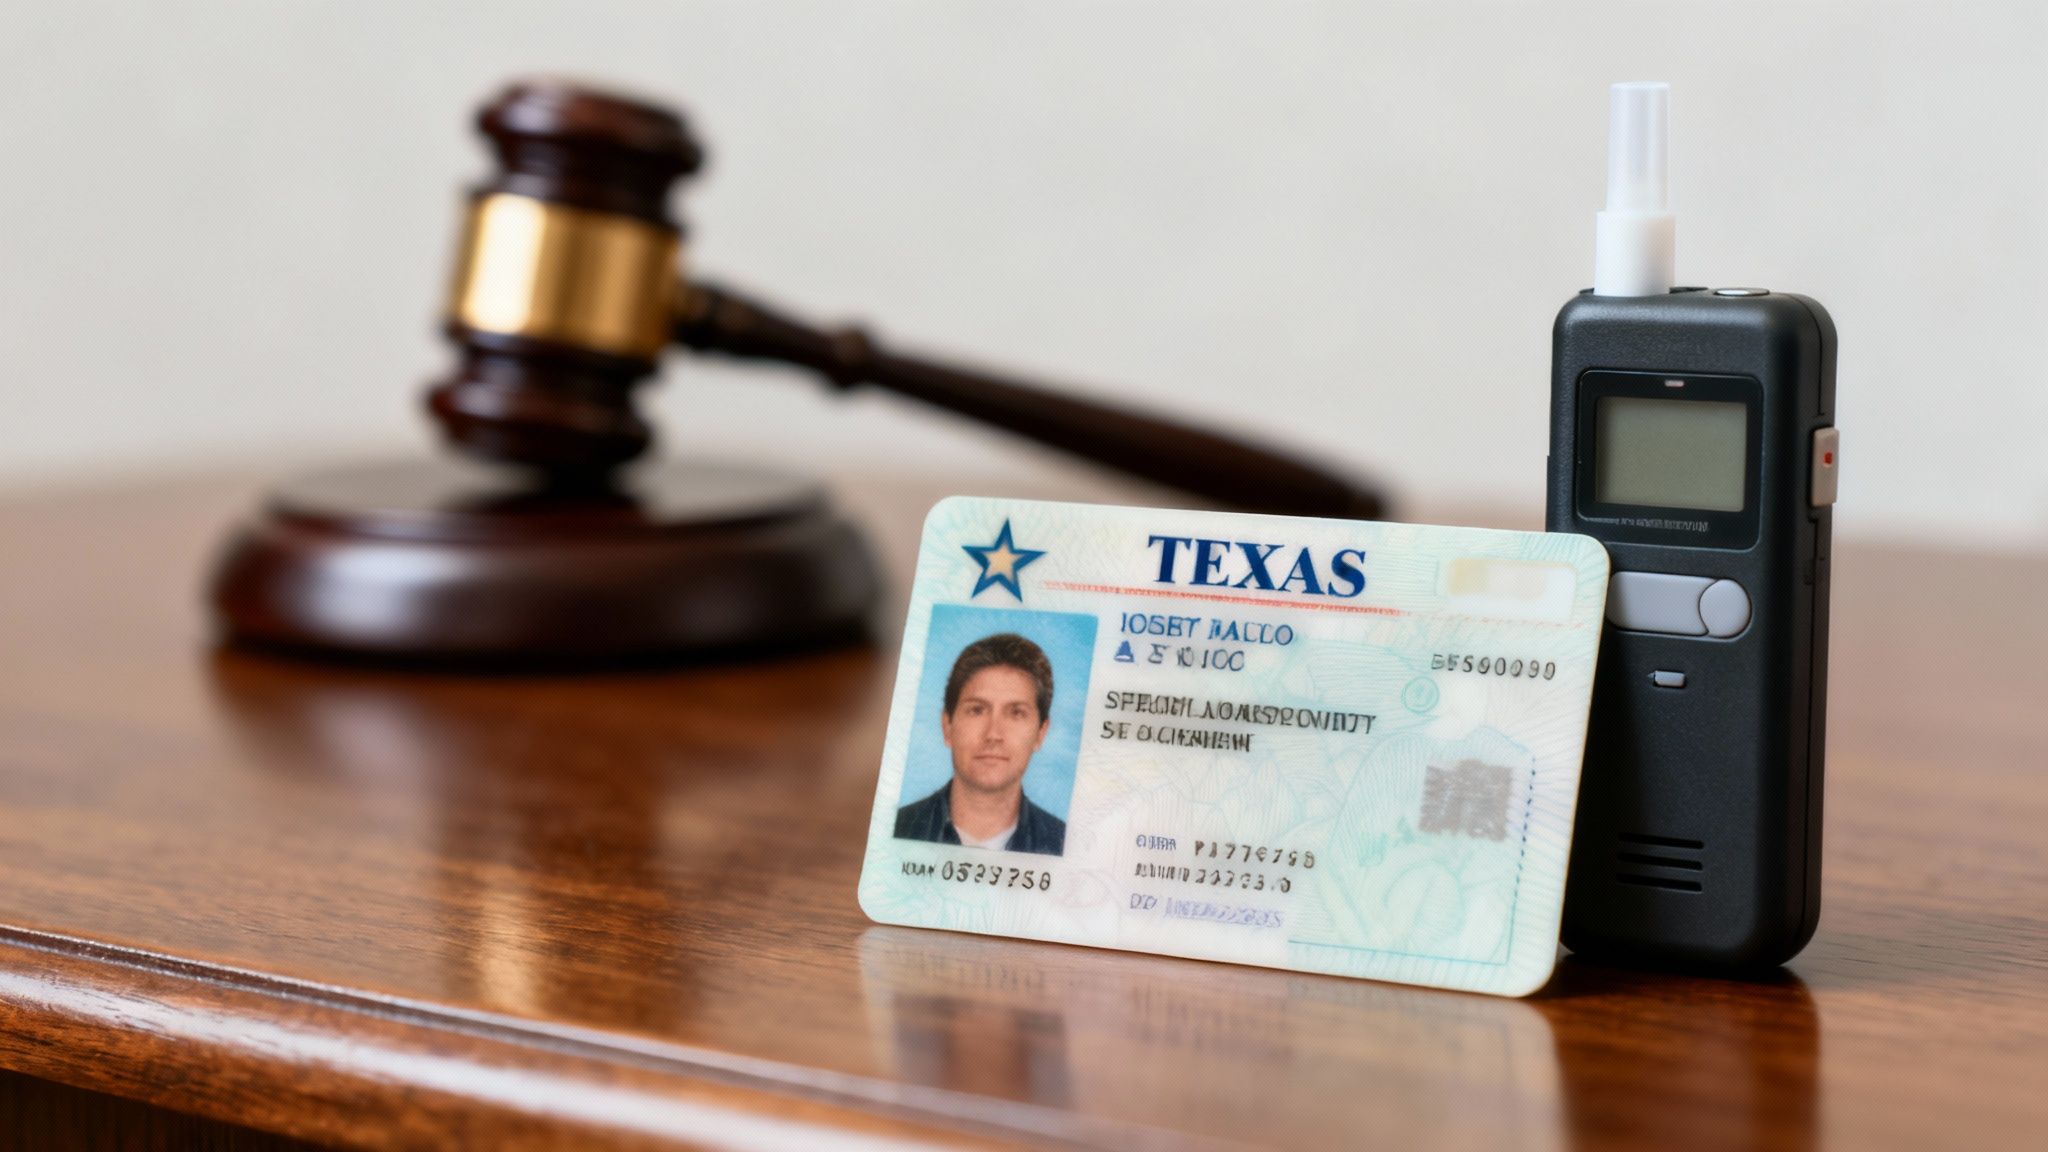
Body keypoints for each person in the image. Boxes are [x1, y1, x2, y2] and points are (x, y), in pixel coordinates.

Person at [895, 632, 1066, 856]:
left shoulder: (1061, 843)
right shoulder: (900, 829)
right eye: (977, 710)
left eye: (1016, 713)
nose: (993, 734)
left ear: (1040, 734)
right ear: (947, 726)